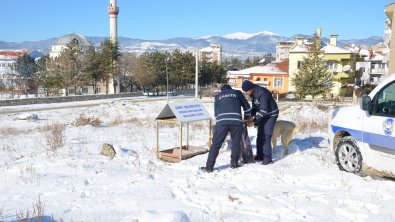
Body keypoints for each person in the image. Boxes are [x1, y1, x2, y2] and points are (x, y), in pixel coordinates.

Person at [200, 85, 251, 173]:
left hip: (222, 122)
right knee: (236, 143)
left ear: (221, 90)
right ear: (231, 89)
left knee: (216, 144)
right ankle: (234, 164)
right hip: (236, 121)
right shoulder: (237, 93)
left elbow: (216, 113)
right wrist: (246, 118)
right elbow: (247, 107)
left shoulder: (218, 96)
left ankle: (209, 167)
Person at [242, 80, 279, 165]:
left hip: (271, 115)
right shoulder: (252, 94)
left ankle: (268, 159)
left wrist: (254, 121)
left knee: (266, 135)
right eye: (245, 91)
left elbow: (263, 111)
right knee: (260, 135)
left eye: (247, 91)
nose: (246, 93)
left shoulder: (263, 93)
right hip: (263, 114)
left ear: (251, 88)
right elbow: (255, 107)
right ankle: (260, 155)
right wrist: (251, 116)